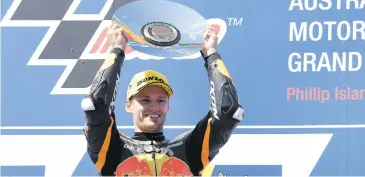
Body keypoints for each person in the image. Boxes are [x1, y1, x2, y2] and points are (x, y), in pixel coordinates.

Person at [81, 22, 245, 176]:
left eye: (161, 100)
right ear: (128, 105)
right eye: (145, 100)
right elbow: (96, 104)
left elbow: (227, 112)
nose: (154, 106)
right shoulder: (111, 149)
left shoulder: (189, 150)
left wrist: (211, 54)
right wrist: (117, 50)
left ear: (168, 106)